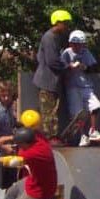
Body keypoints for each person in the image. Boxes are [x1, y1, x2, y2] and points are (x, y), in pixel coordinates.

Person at [60, 29, 100, 146]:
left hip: (86, 86)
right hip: (72, 87)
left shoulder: (86, 52)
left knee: (96, 106)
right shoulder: (66, 53)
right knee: (78, 114)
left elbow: (94, 67)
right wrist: (70, 67)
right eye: (76, 45)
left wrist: (84, 67)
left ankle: (93, 131)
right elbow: (60, 68)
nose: (79, 47)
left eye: (81, 45)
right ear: (71, 44)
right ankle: (82, 136)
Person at [33, 9, 72, 141]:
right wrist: (68, 66)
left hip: (52, 81)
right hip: (47, 81)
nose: (67, 26)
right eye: (65, 23)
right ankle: (50, 138)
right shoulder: (49, 37)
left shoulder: (56, 37)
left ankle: (52, 136)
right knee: (49, 112)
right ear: (57, 22)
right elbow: (52, 61)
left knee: (52, 110)